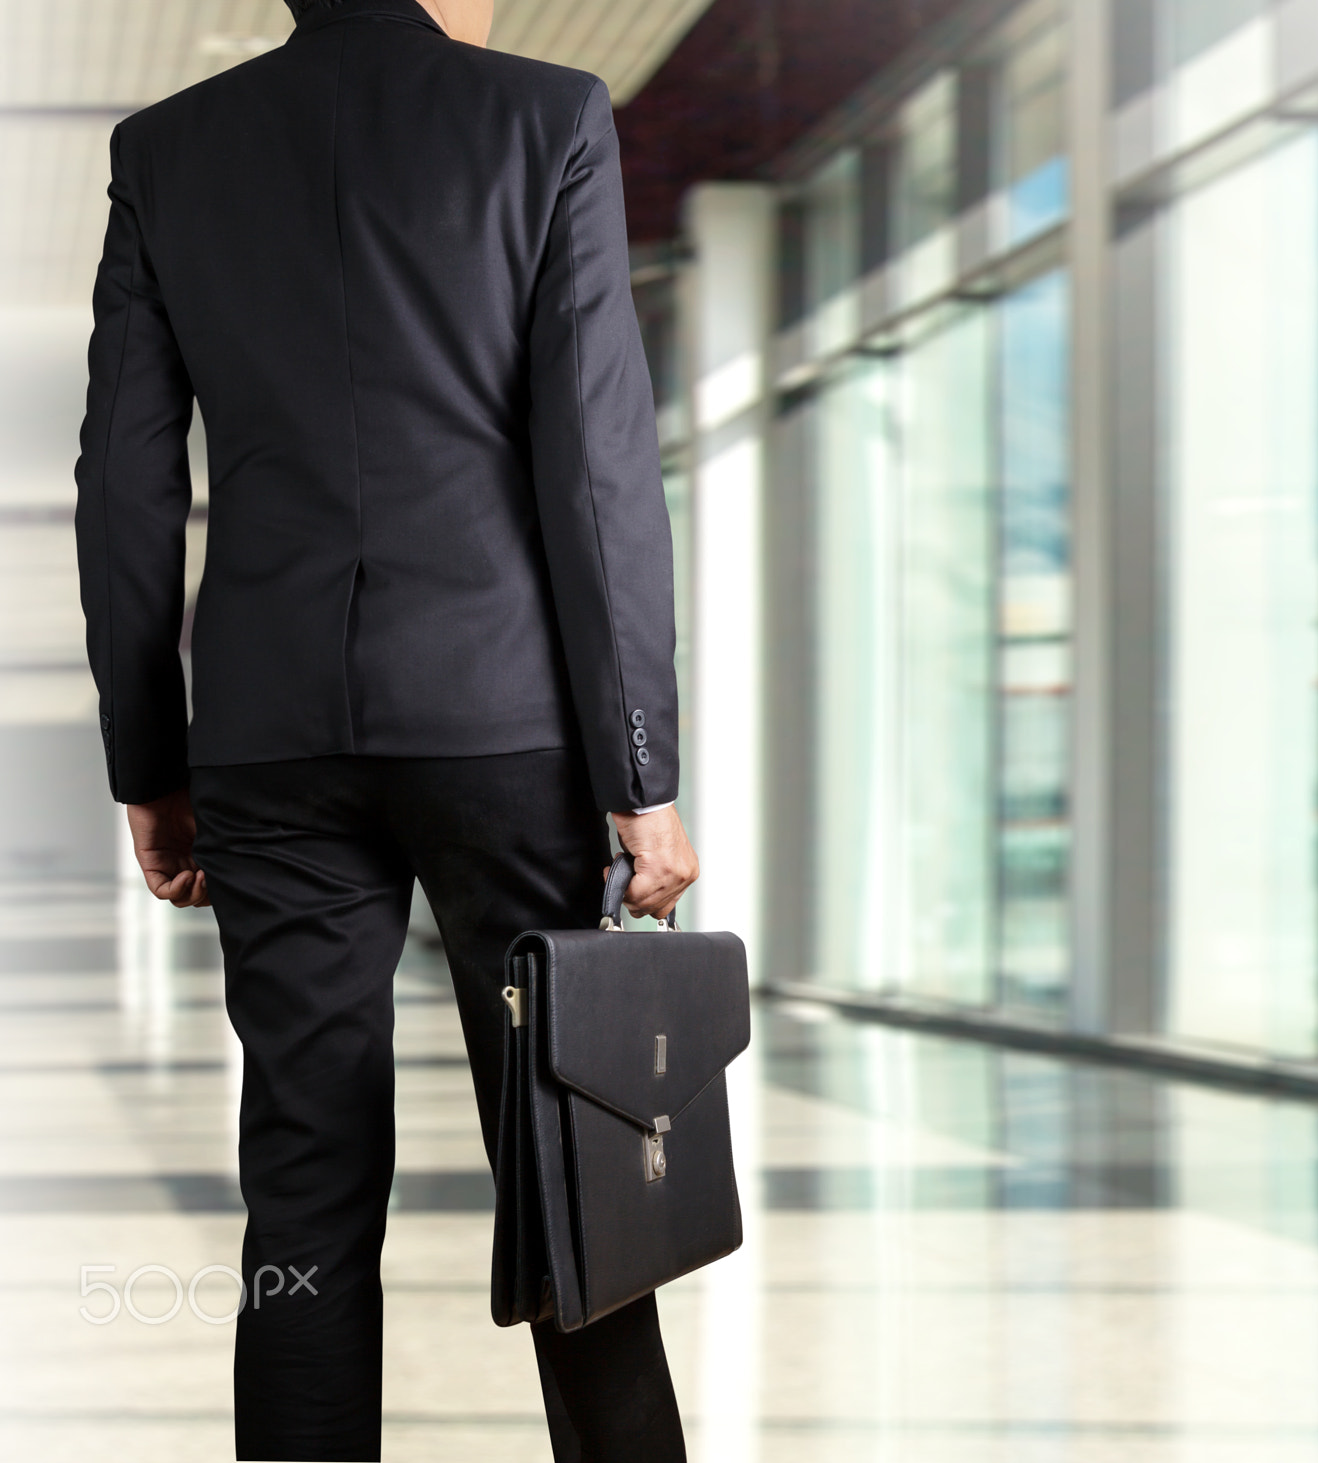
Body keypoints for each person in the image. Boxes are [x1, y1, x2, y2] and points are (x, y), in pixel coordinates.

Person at [73, 0, 698, 1456]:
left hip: (269, 731)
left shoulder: (168, 149)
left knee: (300, 1178)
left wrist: (149, 764)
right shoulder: (546, 118)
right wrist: (640, 773)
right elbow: (595, 463)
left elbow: (126, 482)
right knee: (576, 1161)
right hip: (506, 727)